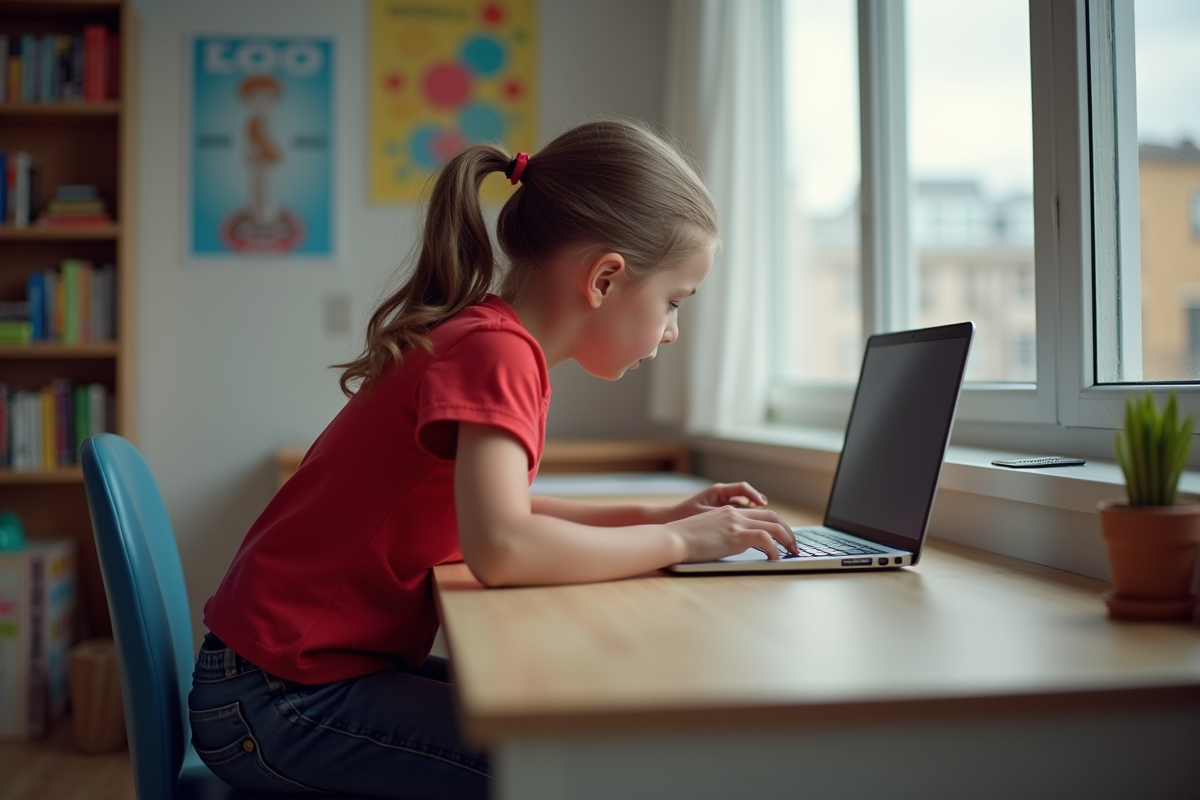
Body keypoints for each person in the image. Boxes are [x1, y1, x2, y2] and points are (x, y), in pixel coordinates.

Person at [189, 118, 797, 800]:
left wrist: (659, 515)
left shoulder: (491, 339)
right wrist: (681, 541)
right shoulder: (496, 353)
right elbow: (504, 549)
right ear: (604, 278)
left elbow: (502, 516)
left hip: (275, 682)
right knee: (567, 776)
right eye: (674, 302)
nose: (673, 330)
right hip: (279, 702)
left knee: (571, 742)